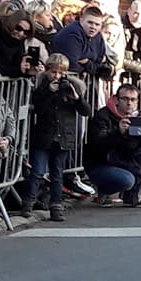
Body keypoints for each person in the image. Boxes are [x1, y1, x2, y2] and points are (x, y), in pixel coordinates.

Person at [20, 53, 92, 222]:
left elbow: (86, 111)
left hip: (63, 138)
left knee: (57, 173)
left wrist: (77, 98)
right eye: (53, 72)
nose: (57, 77)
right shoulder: (41, 87)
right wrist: (49, 93)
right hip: (44, 136)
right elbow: (39, 109)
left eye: (61, 73)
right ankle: (28, 203)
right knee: (37, 171)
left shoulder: (72, 87)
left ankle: (56, 206)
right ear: (47, 71)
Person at [84, 82, 141, 208]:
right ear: (117, 100)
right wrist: (117, 133)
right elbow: (97, 146)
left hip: (126, 161)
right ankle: (104, 190)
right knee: (127, 180)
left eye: (133, 99)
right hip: (102, 163)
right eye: (125, 99)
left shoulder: (140, 117)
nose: (129, 103)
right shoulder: (102, 116)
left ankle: (131, 197)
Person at [52, 4, 111, 78]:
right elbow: (72, 65)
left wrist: (87, 63)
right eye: (90, 22)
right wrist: (87, 69)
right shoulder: (72, 34)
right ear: (81, 19)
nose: (93, 27)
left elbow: (100, 62)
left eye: (97, 24)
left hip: (86, 83)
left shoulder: (98, 36)